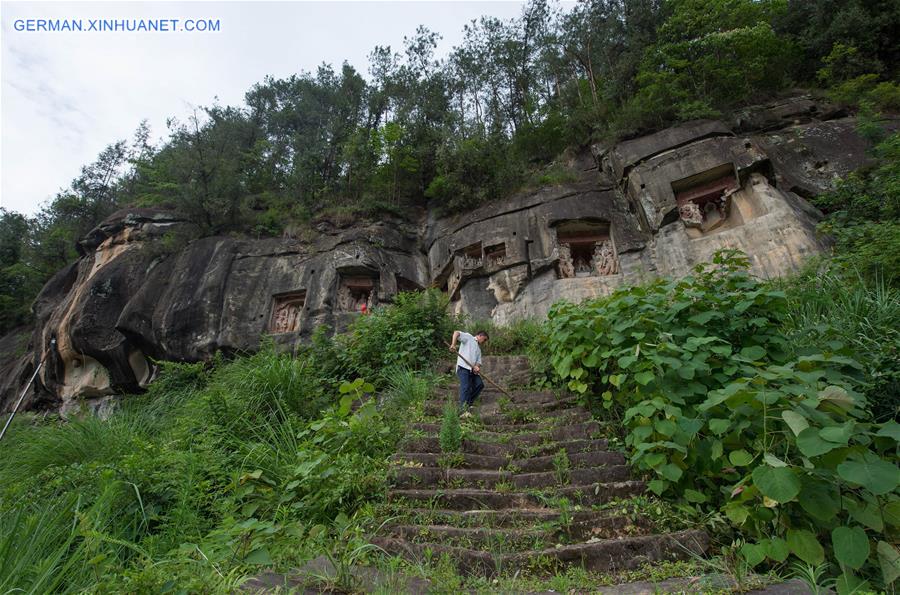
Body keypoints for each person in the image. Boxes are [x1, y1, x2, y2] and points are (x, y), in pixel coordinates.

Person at [449, 329, 489, 414]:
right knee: (466, 387)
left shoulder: (478, 349)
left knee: (480, 384)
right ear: (480, 336)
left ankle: (468, 403)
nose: (484, 342)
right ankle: (462, 410)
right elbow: (456, 332)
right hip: (463, 368)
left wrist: (477, 367)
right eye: (484, 339)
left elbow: (478, 362)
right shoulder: (469, 337)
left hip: (471, 371)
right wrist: (453, 344)